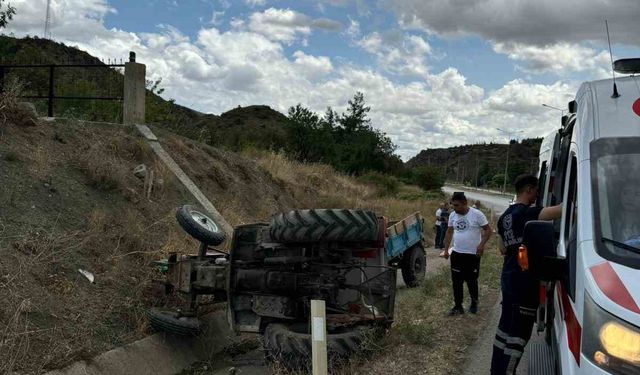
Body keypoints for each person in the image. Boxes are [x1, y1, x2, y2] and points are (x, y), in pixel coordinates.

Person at [490, 174, 562, 375]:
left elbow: (503, 250)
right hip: (524, 282)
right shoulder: (527, 214)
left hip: (509, 278)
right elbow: (560, 211)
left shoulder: (504, 216)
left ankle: (496, 370)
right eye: (536, 190)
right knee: (519, 335)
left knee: (504, 330)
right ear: (529, 190)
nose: (537, 194)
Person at [443, 192, 492, 315]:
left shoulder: (477, 214)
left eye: (457, 205)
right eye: (453, 205)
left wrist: (481, 245)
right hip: (457, 253)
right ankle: (458, 306)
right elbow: (449, 232)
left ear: (465, 203)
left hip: (472, 254)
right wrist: (446, 250)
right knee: (456, 281)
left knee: (471, 280)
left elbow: (488, 230)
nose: (454, 208)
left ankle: (474, 303)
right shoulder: (453, 215)